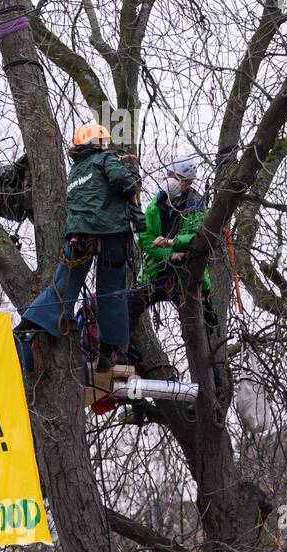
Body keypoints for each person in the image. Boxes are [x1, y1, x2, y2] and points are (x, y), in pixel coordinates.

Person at [17, 123, 141, 371]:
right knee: (112, 291)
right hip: (111, 234)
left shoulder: (76, 172)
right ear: (97, 143)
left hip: (79, 235)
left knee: (65, 282)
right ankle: (110, 350)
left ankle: (29, 324)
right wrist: (129, 173)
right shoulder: (105, 160)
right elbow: (126, 183)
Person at [127, 155, 218, 363]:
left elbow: (199, 236)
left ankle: (215, 380)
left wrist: (172, 243)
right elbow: (145, 238)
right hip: (159, 272)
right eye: (169, 175)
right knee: (130, 303)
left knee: (201, 331)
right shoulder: (156, 205)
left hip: (188, 276)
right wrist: (169, 254)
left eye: (174, 176)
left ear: (186, 182)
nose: (170, 180)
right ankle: (126, 354)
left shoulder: (196, 206)